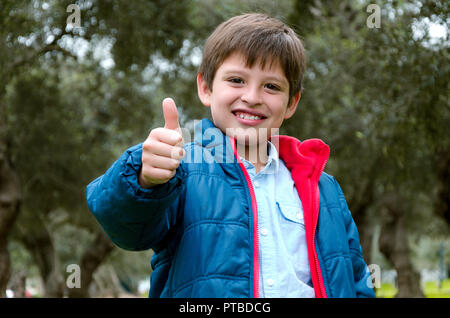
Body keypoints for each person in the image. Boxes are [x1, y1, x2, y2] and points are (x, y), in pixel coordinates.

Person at [86, 13, 375, 298]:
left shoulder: (324, 189)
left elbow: (356, 279)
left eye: (271, 86)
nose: (252, 97)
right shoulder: (182, 171)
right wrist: (143, 177)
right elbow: (127, 229)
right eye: (237, 80)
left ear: (291, 103)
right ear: (206, 88)